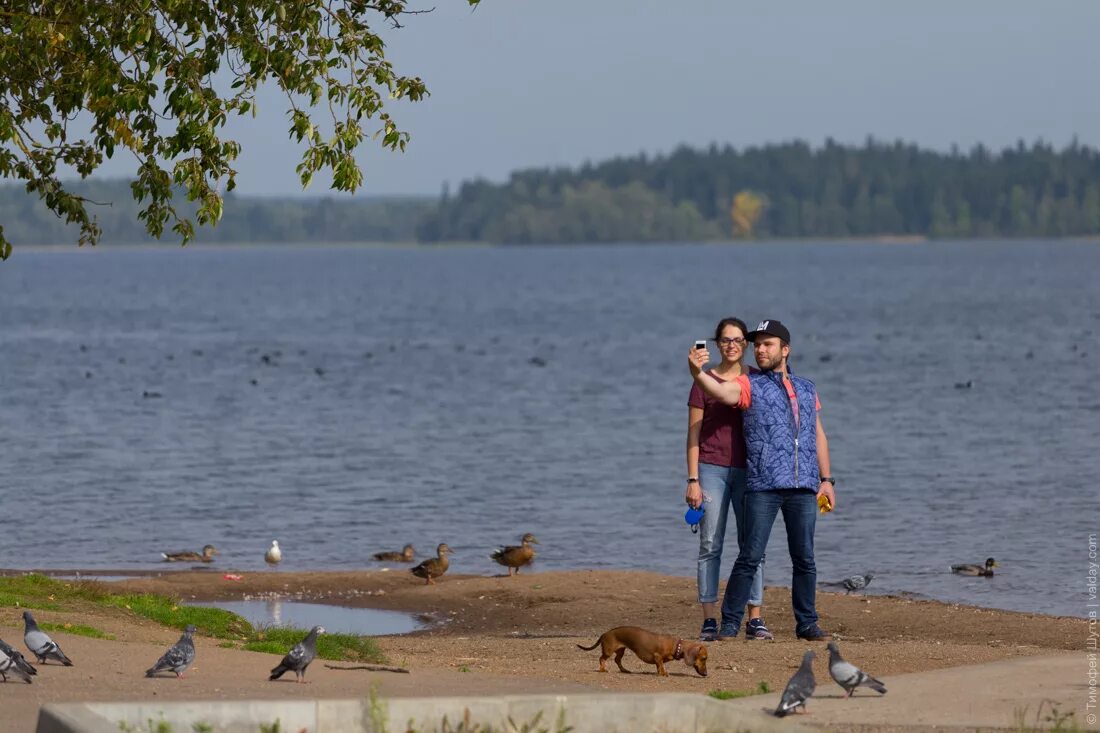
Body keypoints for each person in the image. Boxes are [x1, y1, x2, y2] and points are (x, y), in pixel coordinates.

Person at [687, 319, 836, 641]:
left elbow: (818, 435)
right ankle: (729, 624)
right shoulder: (749, 384)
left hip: (803, 485)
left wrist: (827, 480)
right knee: (749, 555)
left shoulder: (807, 388)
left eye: (767, 344)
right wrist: (697, 373)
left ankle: (807, 624)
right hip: (763, 485)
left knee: (805, 559)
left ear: (785, 349)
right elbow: (721, 391)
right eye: (757, 345)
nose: (760, 350)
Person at [686, 317, 773, 642]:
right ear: (717, 343)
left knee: (753, 545)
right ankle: (710, 620)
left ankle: (755, 617)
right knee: (710, 544)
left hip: (752, 471)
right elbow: (693, 433)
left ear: (746, 344)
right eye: (725, 340)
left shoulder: (759, 379)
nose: (732, 345)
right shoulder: (702, 381)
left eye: (738, 340)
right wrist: (692, 479)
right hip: (711, 469)